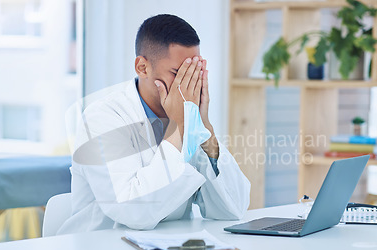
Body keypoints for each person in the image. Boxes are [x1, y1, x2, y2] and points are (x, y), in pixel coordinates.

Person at [57, 14, 250, 234]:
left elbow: (233, 209)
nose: (187, 85)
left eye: (194, 74)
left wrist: (204, 126)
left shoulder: (191, 123)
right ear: (142, 67)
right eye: (178, 74)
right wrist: (179, 127)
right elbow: (134, 213)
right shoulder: (102, 118)